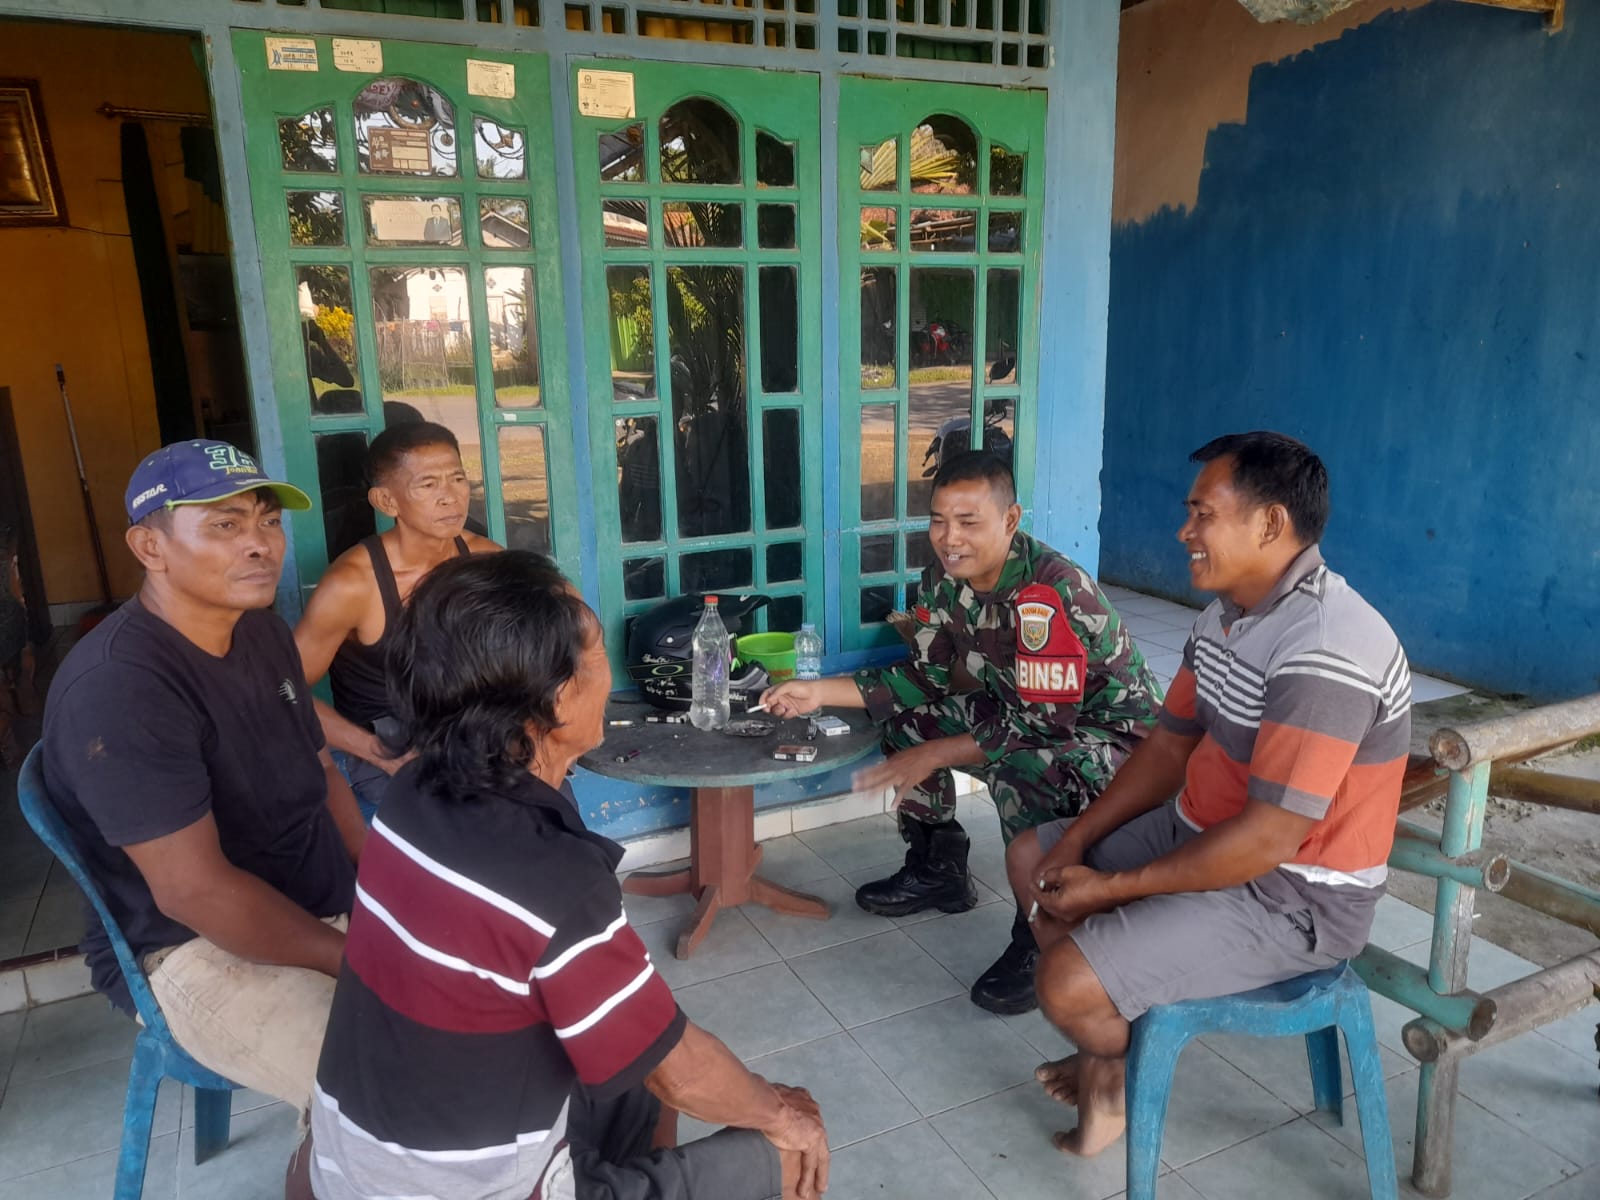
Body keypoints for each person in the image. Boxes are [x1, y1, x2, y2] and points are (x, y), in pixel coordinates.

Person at [293, 552, 829, 1200]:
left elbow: (659, 1055)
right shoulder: (550, 878)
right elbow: (683, 1075)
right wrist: (784, 1114)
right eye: (596, 653)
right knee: (782, 1150)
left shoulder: (414, 790)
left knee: (641, 1059)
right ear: (552, 700)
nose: (608, 673)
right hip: (467, 1188)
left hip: (352, 1166)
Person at [1010, 431, 1411, 1159]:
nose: (1184, 532)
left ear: (1271, 524)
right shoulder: (1227, 614)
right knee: (1032, 860)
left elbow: (1267, 841)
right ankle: (1110, 1032)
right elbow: (1169, 747)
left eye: (1203, 514)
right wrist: (1078, 842)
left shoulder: (1326, 647)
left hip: (1295, 897)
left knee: (1064, 984)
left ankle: (1110, 1064)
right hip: (1201, 830)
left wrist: (1112, 887)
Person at [761, 451, 1162, 1015]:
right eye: (938, 520)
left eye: (969, 522)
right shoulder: (943, 579)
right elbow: (921, 679)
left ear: (1011, 519)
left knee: (1026, 769)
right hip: (1024, 711)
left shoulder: (1050, 592)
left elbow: (1044, 726)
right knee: (906, 723)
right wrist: (818, 691)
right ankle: (939, 868)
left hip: (1118, 744)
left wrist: (934, 754)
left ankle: (1041, 933)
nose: (950, 538)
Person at [40, 439, 363, 1111]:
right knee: (375, 1087)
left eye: (268, 521)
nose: (260, 544)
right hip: (191, 948)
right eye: (224, 524)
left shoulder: (261, 633)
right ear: (150, 547)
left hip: (313, 896)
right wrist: (363, 960)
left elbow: (321, 767)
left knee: (495, 1007)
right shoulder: (121, 687)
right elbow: (194, 892)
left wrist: (383, 885)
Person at [294, 421, 498, 820]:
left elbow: (559, 626)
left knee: (548, 808)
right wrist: (379, 753)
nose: (451, 497)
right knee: (461, 828)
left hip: (473, 732)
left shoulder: (486, 561)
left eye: (458, 479)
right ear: (387, 501)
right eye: (428, 484)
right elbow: (283, 691)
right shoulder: (353, 585)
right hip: (393, 745)